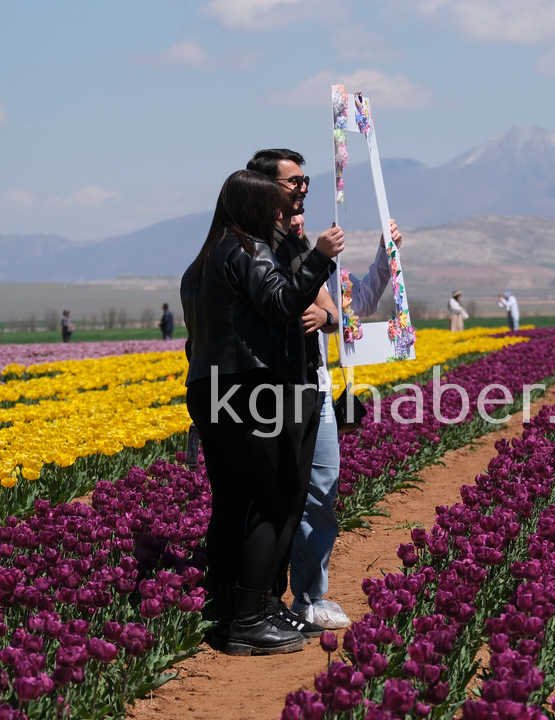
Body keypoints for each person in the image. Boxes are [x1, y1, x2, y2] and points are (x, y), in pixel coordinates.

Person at [181, 167, 344, 656]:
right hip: (253, 391)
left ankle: (230, 604)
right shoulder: (249, 250)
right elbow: (281, 304)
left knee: (232, 503)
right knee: (273, 502)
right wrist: (319, 259)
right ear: (254, 207)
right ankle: (250, 617)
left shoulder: (202, 260)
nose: (281, 212)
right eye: (273, 205)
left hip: (211, 390)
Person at [247, 148, 406, 631]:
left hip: (314, 385)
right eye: (293, 186)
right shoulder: (251, 250)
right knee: (273, 495)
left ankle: (310, 596)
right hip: (268, 393)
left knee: (321, 488)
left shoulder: (309, 250)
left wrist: (385, 255)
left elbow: (353, 308)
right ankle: (260, 597)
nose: (302, 196)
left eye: (304, 186)